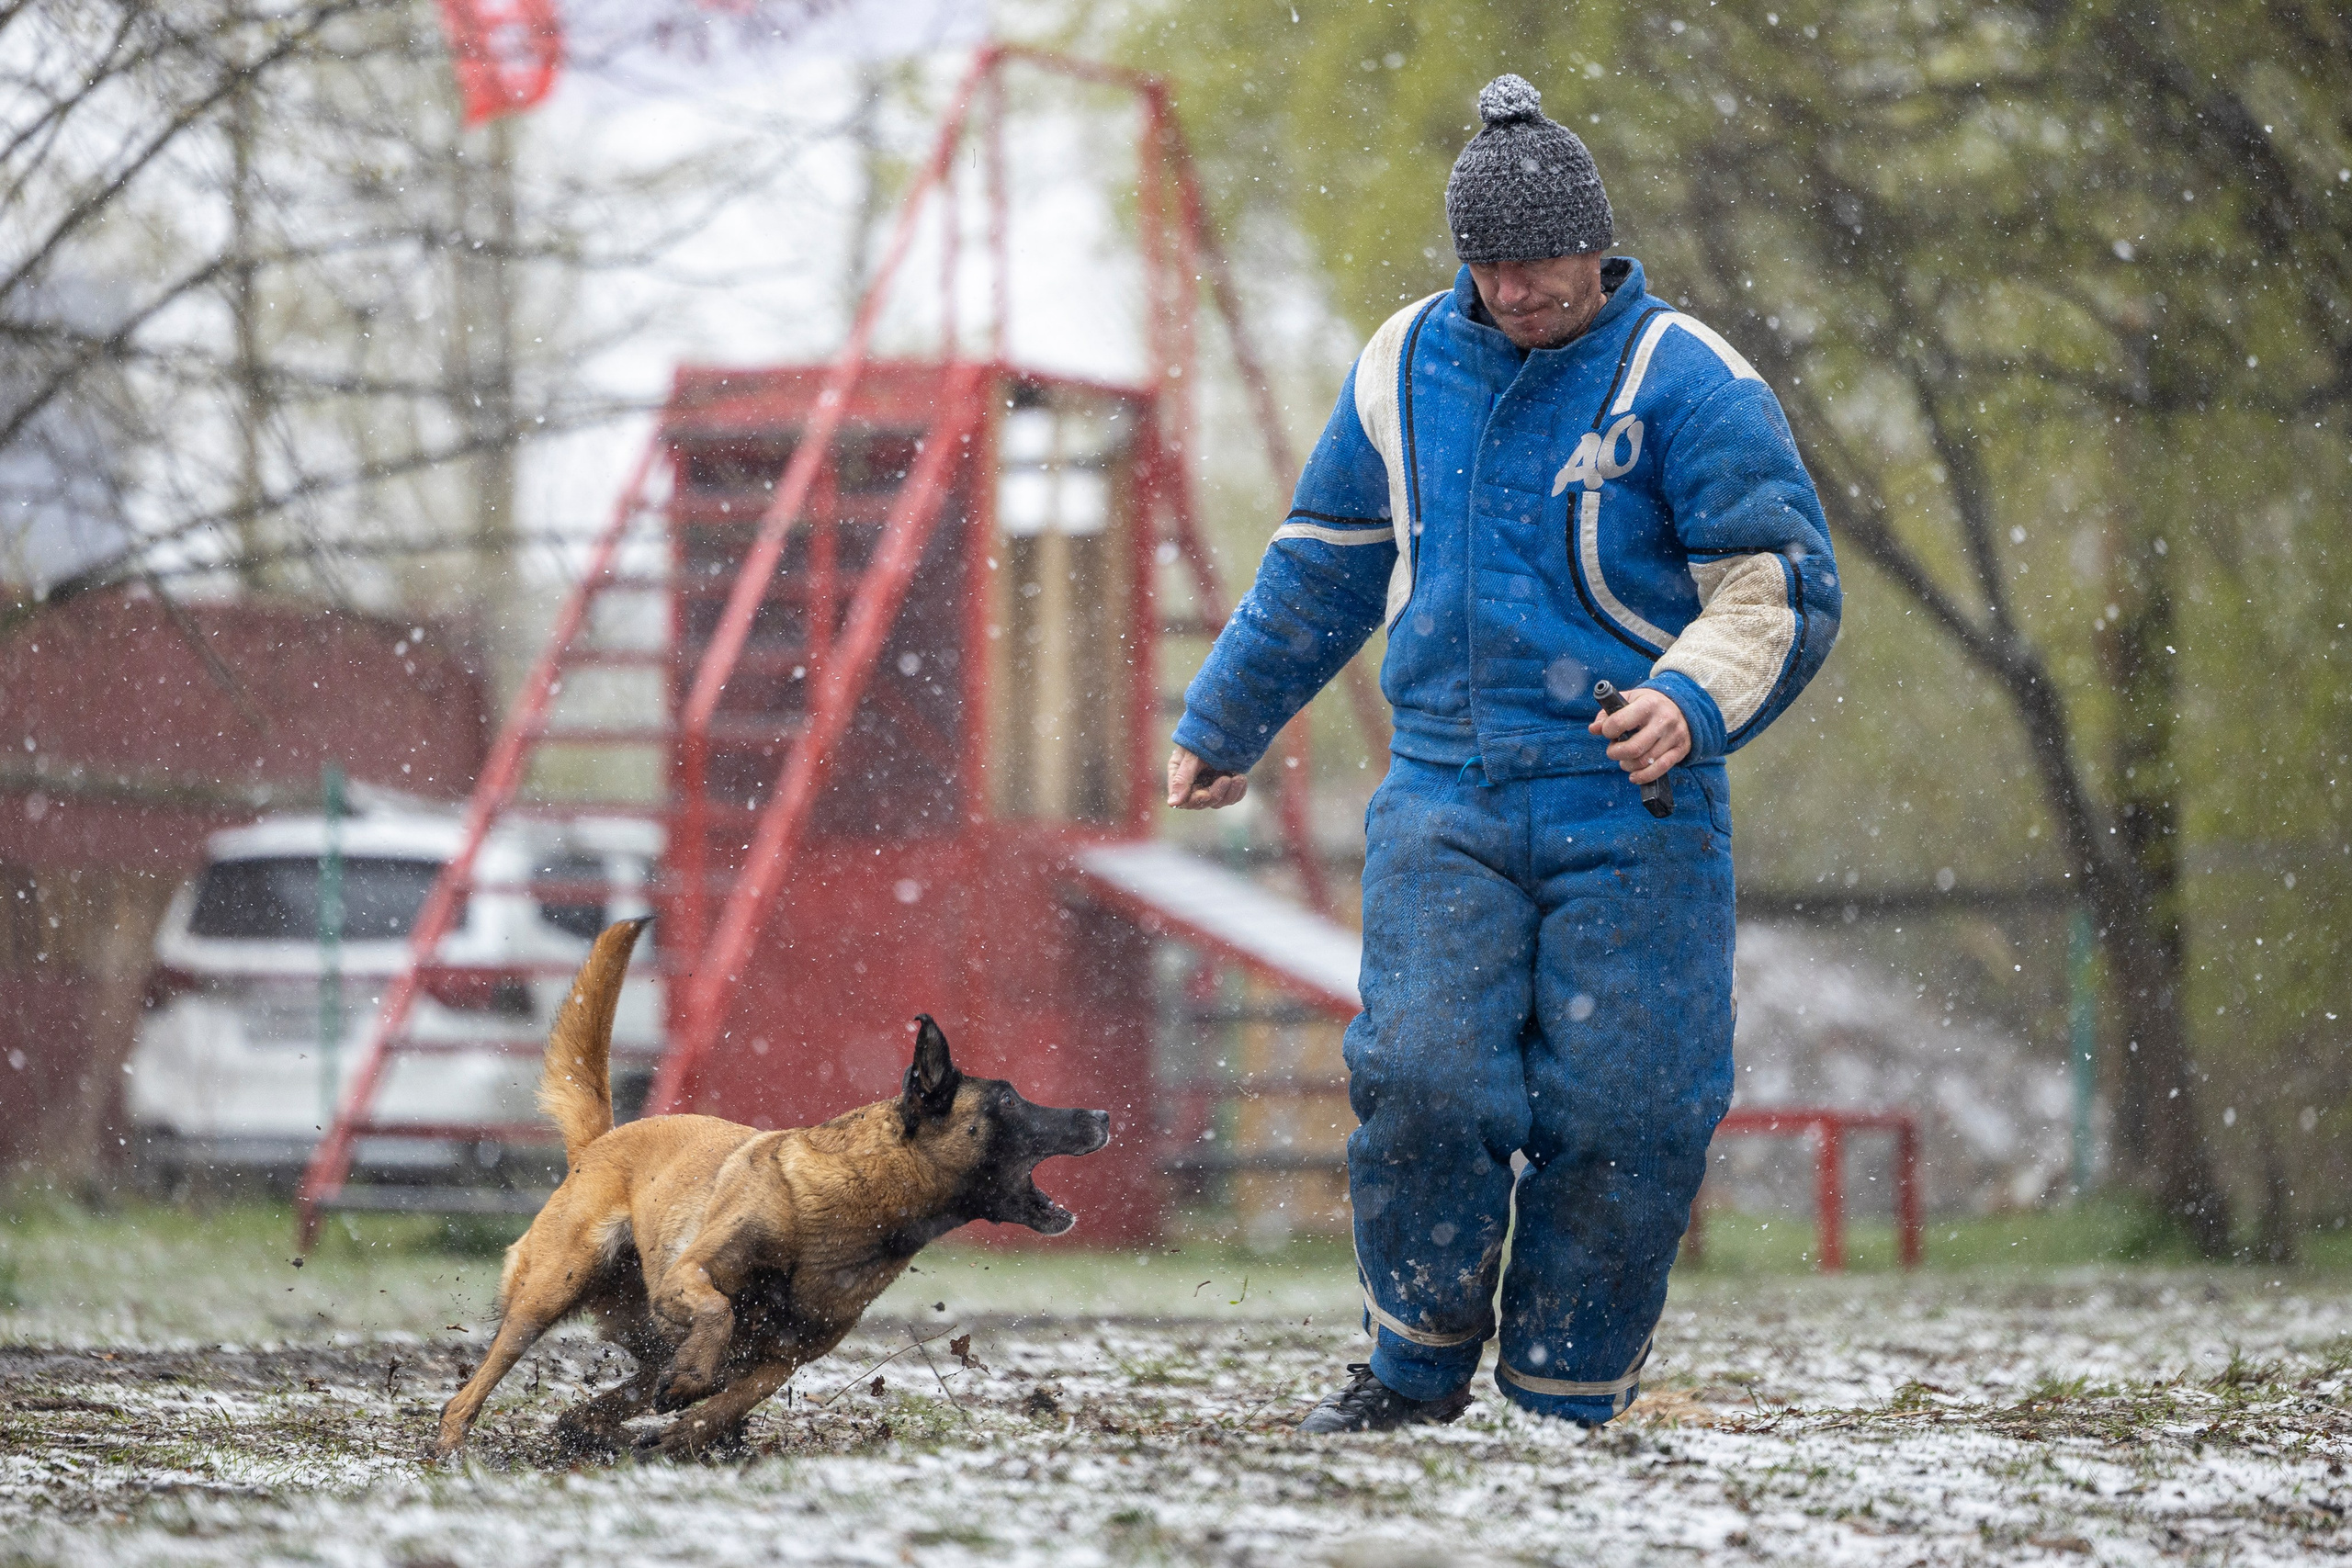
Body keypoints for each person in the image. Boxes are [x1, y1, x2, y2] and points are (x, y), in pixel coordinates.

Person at [1166, 73, 1840, 1431]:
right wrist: (1226, 718)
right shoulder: (1400, 365)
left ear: (1598, 248)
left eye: (1542, 267)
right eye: (1492, 267)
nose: (1518, 292)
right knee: (1419, 1074)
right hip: (1446, 795)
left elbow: (1773, 588)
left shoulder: (1691, 381)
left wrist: (1690, 705)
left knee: (1632, 1108)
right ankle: (1411, 1373)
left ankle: (1565, 1398)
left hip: (1637, 803)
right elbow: (1322, 567)